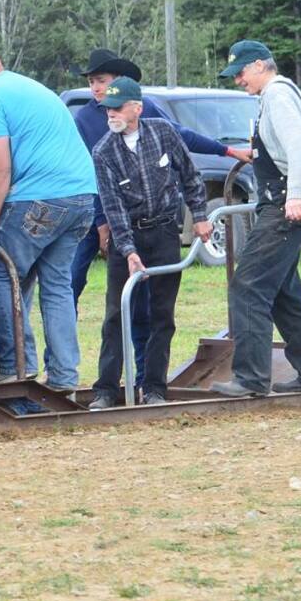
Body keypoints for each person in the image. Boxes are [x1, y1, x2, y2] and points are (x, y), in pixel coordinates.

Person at [0, 44, 97, 390]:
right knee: (57, 287)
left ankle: (15, 366)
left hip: (39, 199)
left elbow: (0, 165)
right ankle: (65, 377)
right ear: (0, 64)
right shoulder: (36, 88)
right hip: (82, 195)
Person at [212, 41, 301, 398]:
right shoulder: (290, 94)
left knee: (248, 286)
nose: (238, 80)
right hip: (285, 202)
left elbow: (299, 146)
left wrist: (297, 195)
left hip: (284, 204)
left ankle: (250, 379)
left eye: (240, 73)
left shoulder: (278, 96)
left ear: (258, 66)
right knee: (286, 295)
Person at [69, 48, 245, 303]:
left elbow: (181, 137)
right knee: (73, 278)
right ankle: (60, 343)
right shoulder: (84, 118)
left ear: (120, 82)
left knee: (142, 290)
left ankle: (143, 342)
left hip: (139, 213)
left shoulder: (144, 108)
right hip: (98, 207)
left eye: (101, 80)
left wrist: (226, 150)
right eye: (91, 82)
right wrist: (100, 222)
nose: (95, 88)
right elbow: (90, 173)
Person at [88, 78, 212, 408]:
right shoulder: (103, 152)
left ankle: (155, 387)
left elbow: (190, 175)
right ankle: (105, 390)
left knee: (162, 314)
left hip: (164, 233)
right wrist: (127, 250)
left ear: (136, 109)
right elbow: (112, 207)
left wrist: (199, 215)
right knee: (116, 312)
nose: (110, 114)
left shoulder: (162, 132)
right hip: (127, 236)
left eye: (117, 108)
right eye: (107, 110)